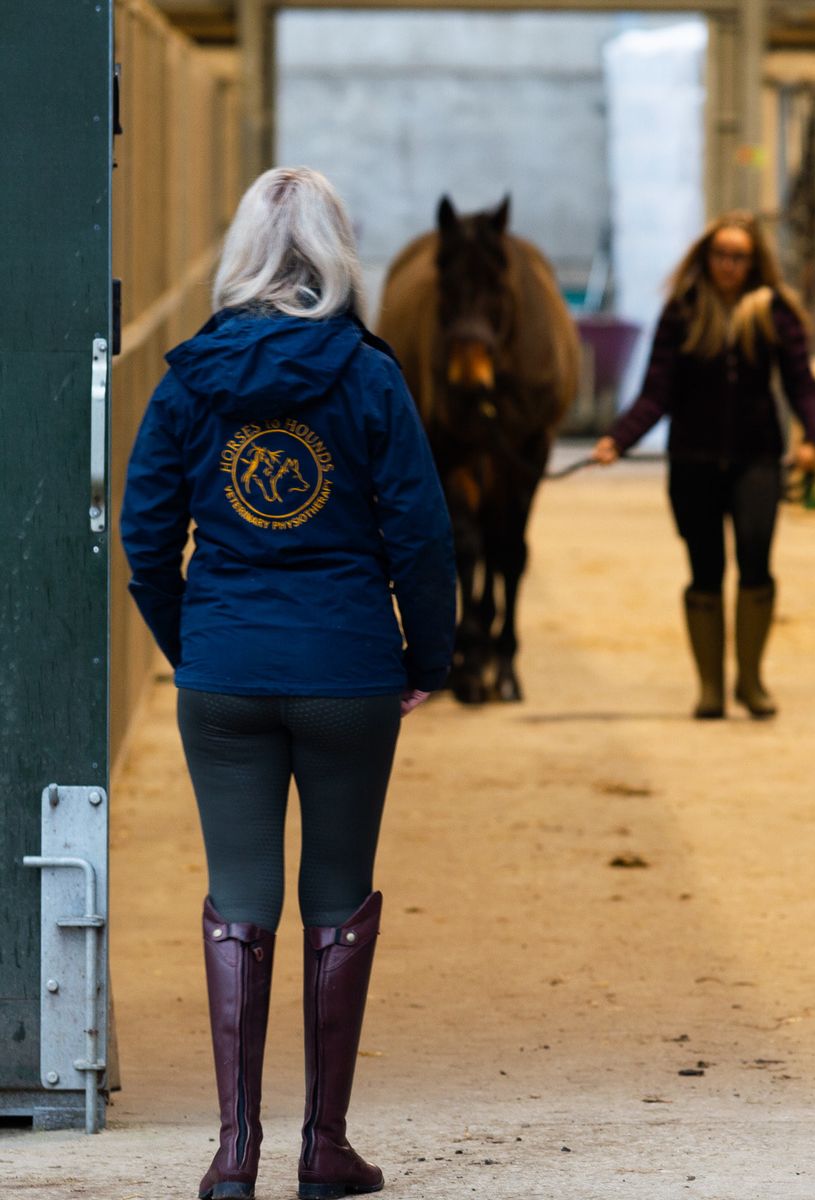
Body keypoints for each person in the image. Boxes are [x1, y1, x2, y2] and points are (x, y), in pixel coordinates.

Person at [120, 166, 455, 1200]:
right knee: (338, 897)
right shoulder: (368, 376)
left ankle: (234, 1154)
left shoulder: (188, 378)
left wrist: (197, 649)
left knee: (239, 895)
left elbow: (144, 539)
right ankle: (323, 1149)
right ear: (337, 252)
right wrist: (426, 658)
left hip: (225, 668)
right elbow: (421, 534)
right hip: (348, 669)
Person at [592, 211, 815, 720]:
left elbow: (800, 382)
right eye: (721, 254)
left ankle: (751, 680)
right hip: (693, 461)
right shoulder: (683, 311)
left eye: (739, 256)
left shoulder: (775, 312)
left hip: (757, 459)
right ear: (707, 256)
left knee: (756, 561)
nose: (728, 265)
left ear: (753, 260)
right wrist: (618, 439)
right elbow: (657, 392)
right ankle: (710, 688)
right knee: (704, 569)